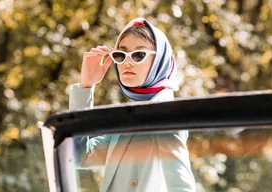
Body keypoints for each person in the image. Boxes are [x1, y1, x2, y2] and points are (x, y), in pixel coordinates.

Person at [68, 17, 196, 192]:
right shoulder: (129, 115)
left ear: (159, 61)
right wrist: (85, 86)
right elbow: (78, 155)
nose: (128, 62)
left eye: (139, 55)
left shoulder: (165, 112)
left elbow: (181, 187)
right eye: (120, 55)